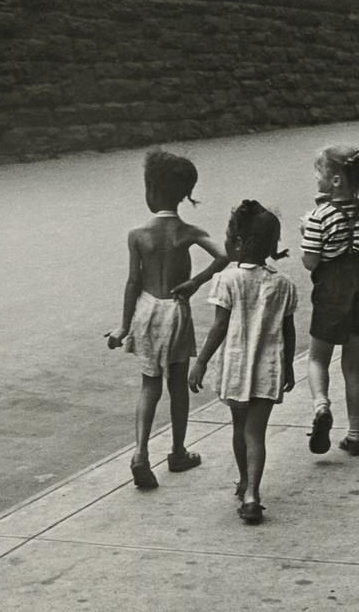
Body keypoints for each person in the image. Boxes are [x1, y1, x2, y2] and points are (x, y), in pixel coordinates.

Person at [107, 150, 228, 490]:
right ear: (183, 194)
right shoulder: (186, 231)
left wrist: (123, 327)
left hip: (146, 310)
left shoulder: (138, 234)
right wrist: (196, 282)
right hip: (175, 310)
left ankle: (141, 453)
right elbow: (223, 255)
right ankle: (177, 452)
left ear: (152, 191)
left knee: (149, 385)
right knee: (177, 385)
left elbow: (133, 282)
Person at [188, 201, 297, 524]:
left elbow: (219, 327)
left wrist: (201, 362)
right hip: (268, 369)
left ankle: (246, 484)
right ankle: (252, 490)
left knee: (239, 428)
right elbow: (288, 331)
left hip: (236, 368)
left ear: (237, 242)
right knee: (256, 434)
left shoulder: (227, 280)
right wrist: (288, 366)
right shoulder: (283, 284)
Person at [300, 146, 359, 457]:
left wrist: (306, 229)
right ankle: (355, 434)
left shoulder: (319, 217)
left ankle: (321, 406)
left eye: (319, 172)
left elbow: (310, 261)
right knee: (353, 364)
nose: (315, 177)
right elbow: (350, 230)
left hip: (332, 289)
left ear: (335, 181)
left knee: (318, 357)